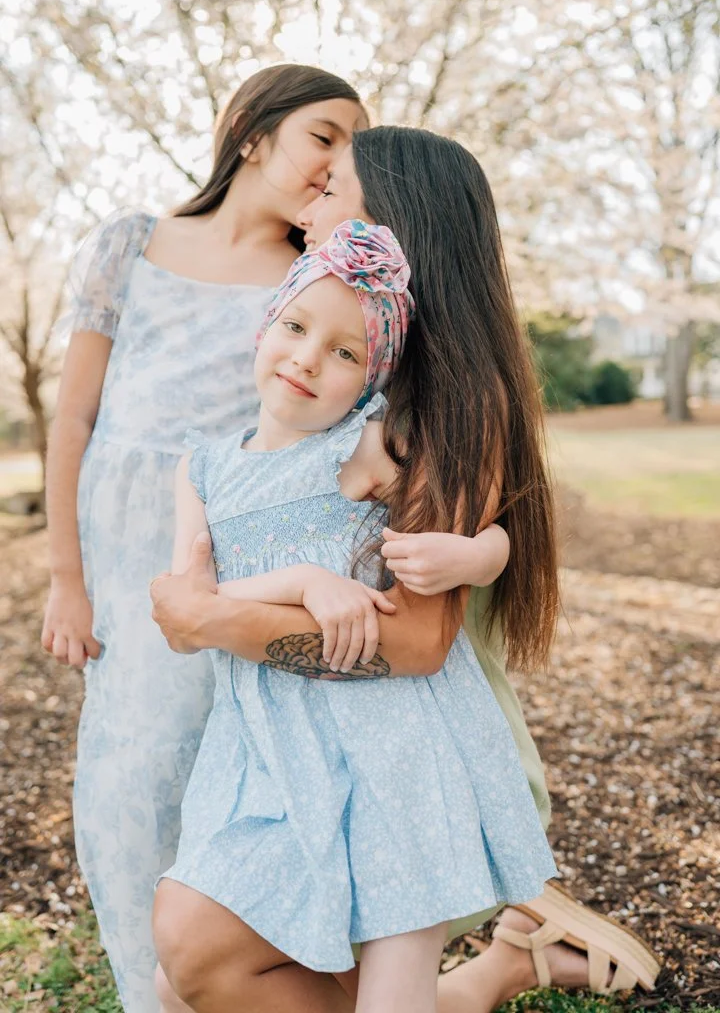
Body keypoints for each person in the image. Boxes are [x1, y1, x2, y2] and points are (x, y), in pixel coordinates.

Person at [151, 127, 661, 1012]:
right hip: (286, 739)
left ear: (397, 221)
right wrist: (227, 599)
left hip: (403, 742)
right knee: (188, 972)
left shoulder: (430, 409)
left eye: (331, 190)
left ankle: (503, 956)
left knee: (213, 961)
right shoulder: (301, 401)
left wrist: (215, 616)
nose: (308, 210)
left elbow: (423, 635)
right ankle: (508, 963)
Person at [41, 63, 368, 1013]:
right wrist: (67, 577)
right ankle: (151, 993)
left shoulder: (314, 277)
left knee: (229, 766)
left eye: (352, 149)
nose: (336, 161)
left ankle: (230, 972)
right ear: (255, 132)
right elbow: (74, 422)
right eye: (325, 134)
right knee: (131, 769)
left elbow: (335, 412)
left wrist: (343, 248)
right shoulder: (133, 245)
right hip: (122, 549)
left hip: (235, 552)